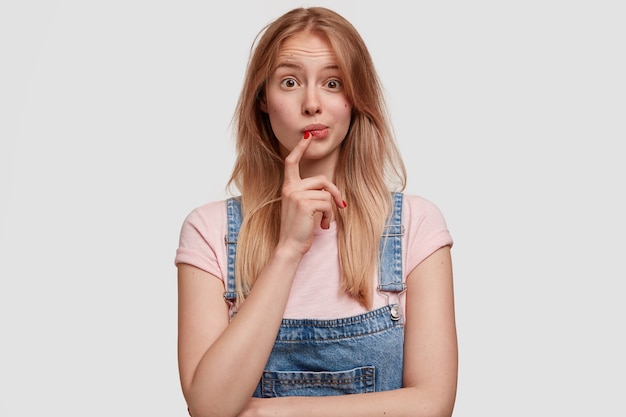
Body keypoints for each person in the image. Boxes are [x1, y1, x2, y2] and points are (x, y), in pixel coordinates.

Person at [175, 6, 457, 417]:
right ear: (262, 102)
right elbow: (209, 407)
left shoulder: (415, 225)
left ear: (355, 100)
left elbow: (432, 404)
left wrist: (268, 412)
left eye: (332, 82)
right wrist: (288, 248)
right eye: (290, 82)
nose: (312, 103)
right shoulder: (209, 231)